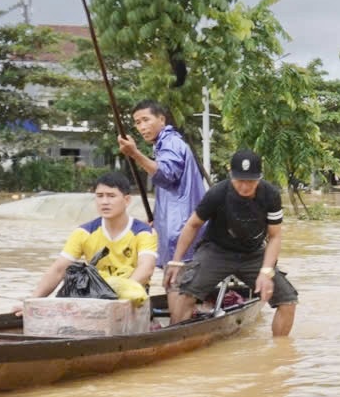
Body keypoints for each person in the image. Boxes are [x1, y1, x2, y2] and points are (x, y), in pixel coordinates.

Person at [164, 148, 297, 336]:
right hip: (217, 251)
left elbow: (275, 236)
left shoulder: (271, 195)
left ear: (259, 178)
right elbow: (192, 225)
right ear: (231, 176)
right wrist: (176, 261)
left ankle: (279, 354)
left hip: (253, 254)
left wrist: (266, 271)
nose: (244, 186)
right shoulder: (217, 193)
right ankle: (174, 340)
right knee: (187, 294)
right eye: (239, 180)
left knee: (288, 301)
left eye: (250, 181)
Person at [33, 171, 158, 304]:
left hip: (131, 298)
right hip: (96, 296)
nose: (104, 202)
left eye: (111, 196)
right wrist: (32, 301)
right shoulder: (84, 232)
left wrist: (116, 296)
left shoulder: (143, 232)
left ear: (127, 200)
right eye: (99, 196)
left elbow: (146, 268)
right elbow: (58, 270)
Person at [116, 99, 206, 257]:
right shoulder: (163, 144)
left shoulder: (171, 143)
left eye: (146, 120)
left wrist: (135, 154)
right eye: (137, 122)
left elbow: (165, 175)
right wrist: (157, 218)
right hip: (176, 231)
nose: (142, 127)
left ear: (162, 119)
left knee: (178, 278)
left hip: (181, 232)